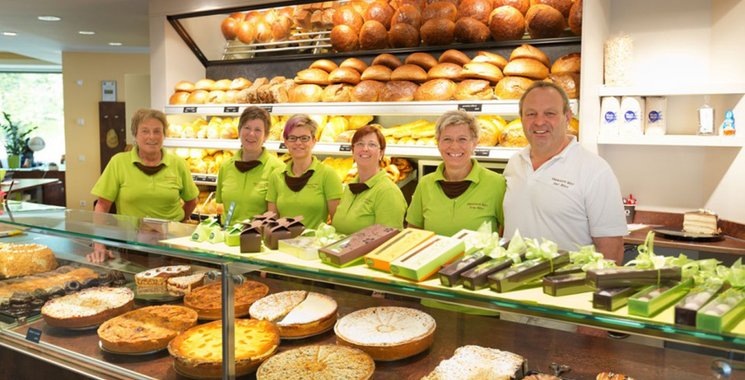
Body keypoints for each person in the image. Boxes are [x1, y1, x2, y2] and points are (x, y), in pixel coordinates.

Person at [502, 81, 627, 264]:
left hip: (567, 287)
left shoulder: (595, 170)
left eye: (549, 113)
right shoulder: (515, 163)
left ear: (567, 116)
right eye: (531, 114)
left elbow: (612, 251)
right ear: (521, 118)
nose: (539, 121)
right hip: (512, 281)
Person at [88, 108, 199, 262]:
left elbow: (191, 201)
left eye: (157, 131)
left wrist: (176, 225)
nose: (151, 137)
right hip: (132, 246)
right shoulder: (119, 162)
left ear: (164, 134)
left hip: (172, 246)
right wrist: (99, 243)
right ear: (135, 135)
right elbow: (102, 205)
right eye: (145, 131)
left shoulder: (178, 164)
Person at [407, 110, 506, 236]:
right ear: (438, 143)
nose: (454, 146)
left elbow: (506, 232)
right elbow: (413, 231)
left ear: (474, 143)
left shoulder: (496, 184)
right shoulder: (425, 184)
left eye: (462, 139)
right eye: (447, 139)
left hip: (479, 257)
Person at [266, 114, 343, 229]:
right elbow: (271, 221)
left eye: (304, 138)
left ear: (313, 141)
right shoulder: (276, 175)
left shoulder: (327, 175)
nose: (298, 143)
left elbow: (337, 222)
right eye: (292, 138)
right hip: (282, 244)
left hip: (314, 245)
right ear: (285, 142)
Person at [331, 125, 407, 234]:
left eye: (372, 144)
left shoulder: (388, 192)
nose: (365, 149)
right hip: (341, 250)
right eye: (360, 144)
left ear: (381, 153)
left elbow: (387, 242)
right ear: (353, 151)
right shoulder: (350, 187)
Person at [215, 106, 284, 224]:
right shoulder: (226, 166)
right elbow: (223, 206)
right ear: (239, 131)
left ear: (266, 136)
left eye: (258, 130)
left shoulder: (277, 168)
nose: (251, 134)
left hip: (258, 238)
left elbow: (279, 214)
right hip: (227, 237)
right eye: (247, 128)